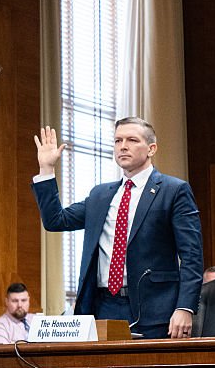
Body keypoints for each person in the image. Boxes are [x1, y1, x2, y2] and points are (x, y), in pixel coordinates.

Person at [32, 118, 204, 339]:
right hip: (103, 308)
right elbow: (56, 220)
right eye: (118, 140)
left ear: (152, 149)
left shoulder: (174, 190)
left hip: (156, 310)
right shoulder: (100, 195)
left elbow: (191, 255)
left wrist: (185, 307)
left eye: (132, 140)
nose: (123, 146)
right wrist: (46, 169)